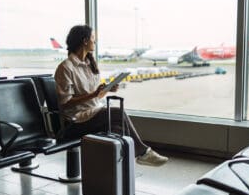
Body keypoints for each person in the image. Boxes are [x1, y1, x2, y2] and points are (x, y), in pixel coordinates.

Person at [54, 25, 168, 166]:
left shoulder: (90, 65)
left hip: (92, 114)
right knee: (117, 113)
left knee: (118, 129)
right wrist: (93, 94)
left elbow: (94, 98)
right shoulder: (66, 68)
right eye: (93, 39)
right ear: (84, 41)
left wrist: (106, 90)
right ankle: (142, 153)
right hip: (76, 121)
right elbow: (65, 103)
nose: (95, 42)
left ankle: (117, 167)